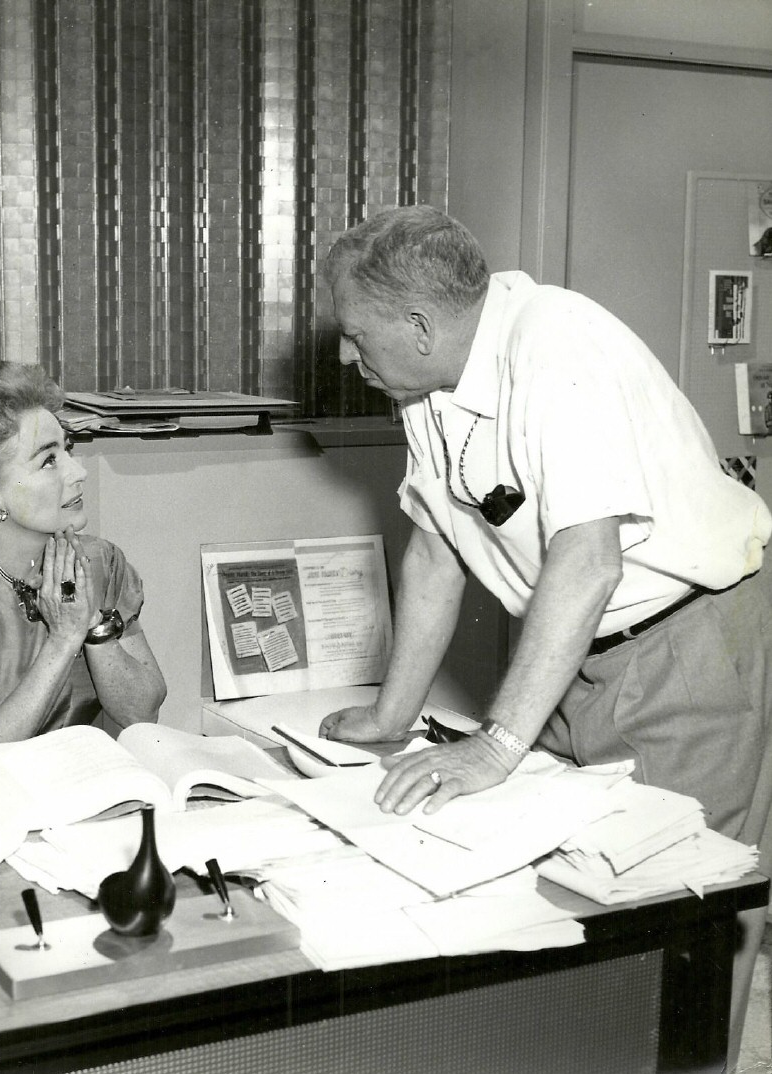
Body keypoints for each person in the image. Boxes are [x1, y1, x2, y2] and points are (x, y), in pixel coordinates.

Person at [318, 205, 772, 1068]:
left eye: (352, 335)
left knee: (685, 895)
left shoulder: (559, 350)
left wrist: (495, 741)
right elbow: (436, 551)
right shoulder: (427, 380)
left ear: (417, 324)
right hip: (575, 645)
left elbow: (587, 561)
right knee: (562, 879)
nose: (344, 356)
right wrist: (389, 717)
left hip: (686, 637)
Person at [0, 361, 167, 792]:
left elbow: (141, 713)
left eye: (67, 449)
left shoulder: (100, 561)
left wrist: (92, 624)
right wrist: (63, 638)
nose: (78, 471)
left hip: (67, 788)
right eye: (48, 461)